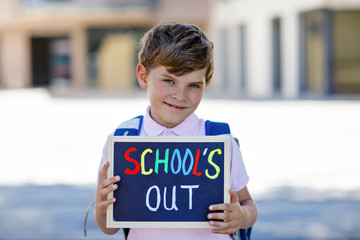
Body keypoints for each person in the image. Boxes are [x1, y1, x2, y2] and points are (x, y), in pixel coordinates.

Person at [94, 21, 258, 240]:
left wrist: (241, 215)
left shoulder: (218, 140)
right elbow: (109, 227)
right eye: (169, 81)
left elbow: (248, 203)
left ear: (206, 84)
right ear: (143, 76)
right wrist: (101, 207)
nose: (180, 96)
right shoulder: (123, 143)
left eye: (193, 85)